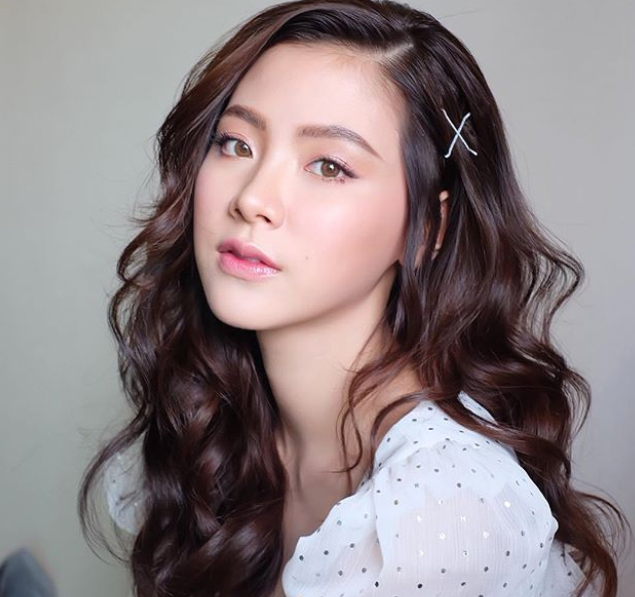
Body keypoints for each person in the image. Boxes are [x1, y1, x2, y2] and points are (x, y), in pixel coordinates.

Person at [77, 1, 627, 596]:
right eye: (235, 143)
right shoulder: (210, 427)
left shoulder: (446, 514)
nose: (253, 199)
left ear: (429, 228)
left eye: (329, 166)